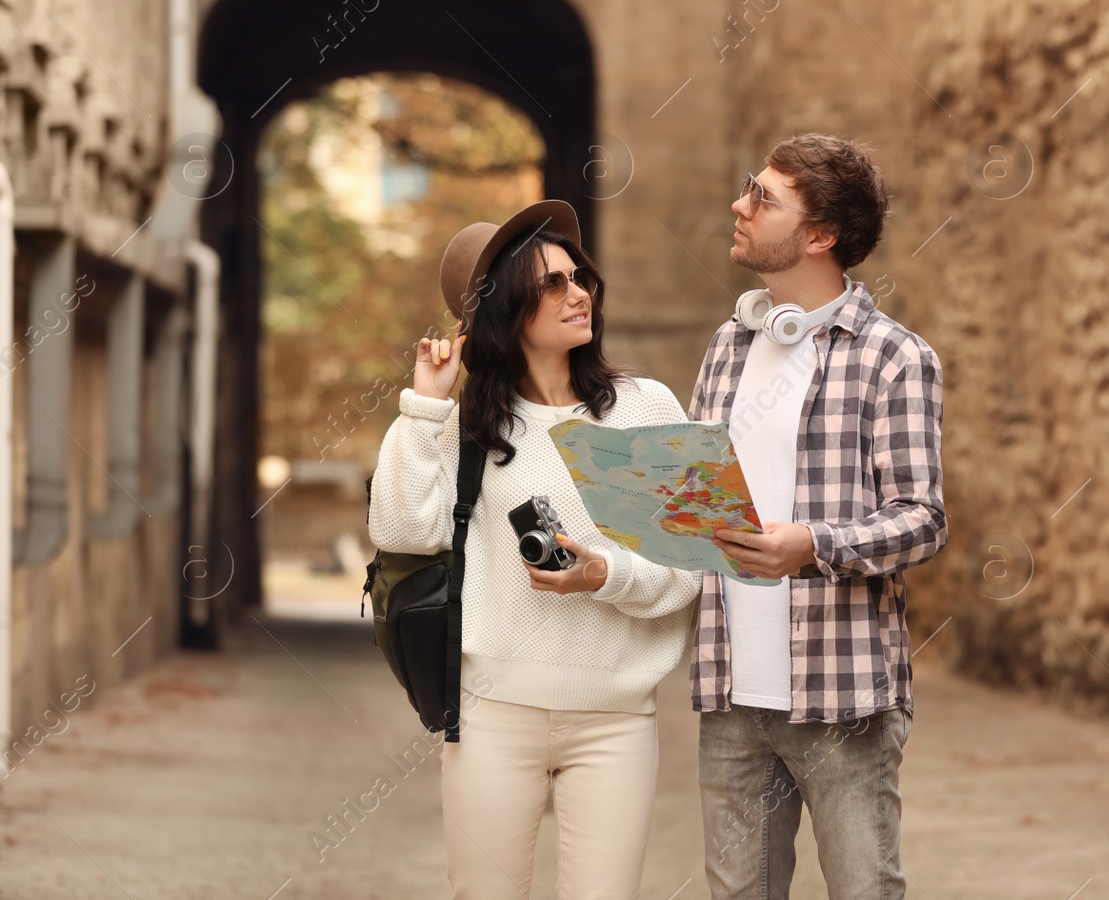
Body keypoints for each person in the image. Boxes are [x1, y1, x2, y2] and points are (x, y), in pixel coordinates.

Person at [366, 199, 701, 900]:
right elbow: (401, 533)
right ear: (506, 309)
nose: (578, 292)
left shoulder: (642, 408)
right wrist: (425, 404)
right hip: (493, 716)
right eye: (552, 283)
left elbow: (689, 573)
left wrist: (603, 573)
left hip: (615, 721)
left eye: (579, 277)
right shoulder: (474, 425)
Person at [688, 134, 947, 898]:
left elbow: (923, 518)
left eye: (762, 198)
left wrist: (814, 544)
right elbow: (702, 501)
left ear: (819, 235)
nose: (739, 205)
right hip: (731, 692)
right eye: (748, 187)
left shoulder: (894, 357)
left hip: (844, 697)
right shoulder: (728, 347)